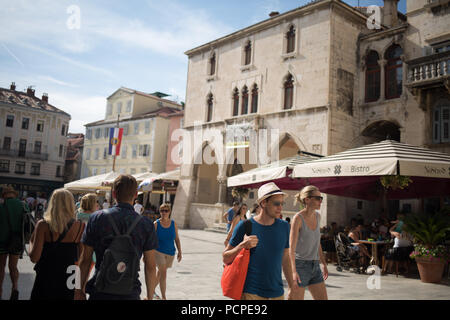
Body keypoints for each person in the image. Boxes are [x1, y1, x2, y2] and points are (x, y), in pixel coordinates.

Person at [76, 174, 158, 300]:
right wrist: (150, 296)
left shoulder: (97, 218)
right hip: (130, 291)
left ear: (114, 194)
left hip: (101, 290)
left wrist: (79, 290)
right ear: (136, 194)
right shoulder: (146, 224)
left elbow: (85, 259)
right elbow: (151, 266)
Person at [223, 182, 296, 300]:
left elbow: (286, 258)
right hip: (251, 293)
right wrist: (242, 245)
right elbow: (225, 258)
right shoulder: (245, 226)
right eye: (276, 203)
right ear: (263, 203)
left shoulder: (284, 227)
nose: (280, 208)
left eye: (282, 203)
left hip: (277, 293)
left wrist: (292, 287)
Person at [29, 189, 85, 300]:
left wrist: (31, 243)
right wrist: (80, 288)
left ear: (53, 203)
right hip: (70, 277)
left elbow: (34, 258)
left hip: (46, 275)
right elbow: (82, 259)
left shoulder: (43, 225)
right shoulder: (80, 226)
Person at [289, 186, 328, 300]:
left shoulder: (318, 216)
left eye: (321, 198)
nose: (320, 201)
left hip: (315, 266)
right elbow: (291, 248)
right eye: (317, 198)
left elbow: (317, 243)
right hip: (300, 266)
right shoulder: (298, 218)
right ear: (307, 200)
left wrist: (323, 263)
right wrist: (293, 271)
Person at [0, 186, 28, 300]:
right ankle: (15, 288)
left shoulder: (1, 206)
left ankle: (0, 290)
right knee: (13, 267)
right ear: (14, 194)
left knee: (1, 267)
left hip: (1, 241)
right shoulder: (23, 205)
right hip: (17, 241)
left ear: (4, 195)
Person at [153, 203, 182, 300]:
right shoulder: (156, 224)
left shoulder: (173, 224)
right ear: (159, 212)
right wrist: (147, 254)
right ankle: (164, 297)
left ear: (169, 212)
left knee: (160, 273)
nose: (164, 213)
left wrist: (180, 252)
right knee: (163, 273)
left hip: (170, 252)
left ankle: (151, 290)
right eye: (162, 211)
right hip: (158, 251)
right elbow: (150, 240)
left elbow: (177, 239)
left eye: (166, 211)